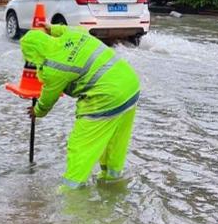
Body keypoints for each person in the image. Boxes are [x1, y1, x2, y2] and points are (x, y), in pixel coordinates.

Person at [19, 25, 140, 189]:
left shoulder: (52, 68)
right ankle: (112, 183)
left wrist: (37, 111)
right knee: (116, 141)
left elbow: (48, 99)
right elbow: (64, 29)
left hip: (105, 97)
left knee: (80, 147)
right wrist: (50, 28)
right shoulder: (73, 35)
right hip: (130, 86)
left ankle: (71, 192)